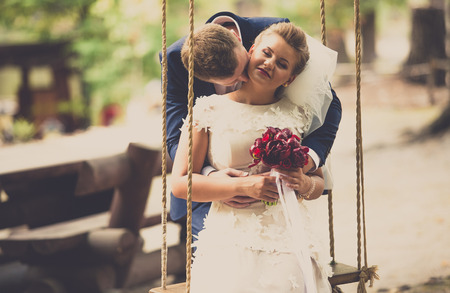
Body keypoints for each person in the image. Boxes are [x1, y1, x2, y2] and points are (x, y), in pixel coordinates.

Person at [171, 22, 332, 292]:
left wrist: (304, 184)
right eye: (267, 53)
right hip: (229, 232)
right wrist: (240, 186)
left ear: (290, 78)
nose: (270, 64)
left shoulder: (299, 115)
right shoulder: (207, 110)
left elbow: (318, 182)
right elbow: (180, 184)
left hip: (286, 233)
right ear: (252, 49)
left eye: (282, 64)